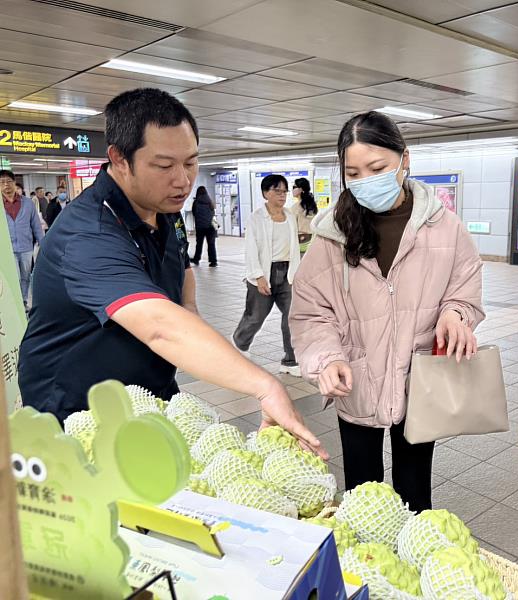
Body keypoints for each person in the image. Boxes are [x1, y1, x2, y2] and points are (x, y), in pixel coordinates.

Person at [18, 88, 324, 458]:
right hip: (78, 414)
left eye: (191, 162)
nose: (183, 180)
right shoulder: (89, 233)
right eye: (164, 166)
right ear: (119, 159)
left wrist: (197, 326)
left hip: (147, 397)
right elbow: (159, 326)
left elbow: (182, 286)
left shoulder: (164, 210)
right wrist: (264, 386)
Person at [289, 111, 484, 512]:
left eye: (377, 168)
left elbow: (464, 288)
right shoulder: (332, 233)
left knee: (415, 494)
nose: (365, 182)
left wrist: (455, 315)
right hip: (356, 379)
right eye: (353, 173)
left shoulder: (445, 228)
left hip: (419, 382)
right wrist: (326, 357)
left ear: (404, 159)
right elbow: (311, 311)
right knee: (362, 497)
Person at [232, 174, 302, 377]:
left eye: (284, 191)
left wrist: (296, 274)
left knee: (291, 317)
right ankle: (239, 344)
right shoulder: (256, 218)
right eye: (277, 191)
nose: (282, 195)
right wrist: (258, 276)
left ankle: (290, 360)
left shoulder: (290, 216)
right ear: (265, 193)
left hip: (287, 272)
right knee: (255, 317)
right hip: (264, 271)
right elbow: (251, 248)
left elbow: (295, 248)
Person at [2, 170, 44, 311]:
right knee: (15, 277)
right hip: (7, 249)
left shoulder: (28, 203)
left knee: (26, 276)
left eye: (9, 181)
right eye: (2, 182)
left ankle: (24, 301)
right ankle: (15, 303)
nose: (6, 185)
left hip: (26, 247)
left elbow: (36, 226)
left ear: (14, 183)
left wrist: (43, 244)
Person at [190, 185, 217, 267]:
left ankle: (196, 259)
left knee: (199, 244)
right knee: (211, 244)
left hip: (200, 227)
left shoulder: (196, 202)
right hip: (211, 227)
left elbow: (194, 213)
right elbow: (213, 213)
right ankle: (213, 261)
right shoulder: (210, 201)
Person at [290, 177, 317, 255]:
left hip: (300, 243)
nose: (292, 190)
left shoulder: (296, 207)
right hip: (312, 241)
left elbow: (292, 227)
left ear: (301, 189)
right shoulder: (312, 205)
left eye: (294, 187)